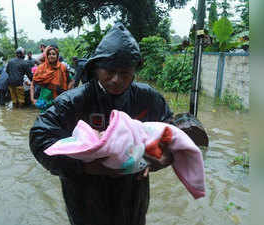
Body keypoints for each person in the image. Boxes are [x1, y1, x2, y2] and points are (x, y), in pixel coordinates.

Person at [29, 23, 174, 225]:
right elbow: (39, 138)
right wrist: (85, 166)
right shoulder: (72, 101)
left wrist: (154, 158)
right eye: (109, 71)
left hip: (132, 193)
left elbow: (171, 131)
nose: (116, 80)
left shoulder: (147, 98)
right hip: (84, 194)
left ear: (135, 71)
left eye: (125, 73)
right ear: (96, 68)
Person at [31, 46, 73, 111]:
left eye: (53, 54)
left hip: (59, 100)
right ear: (46, 56)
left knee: (58, 119)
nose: (51, 56)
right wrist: (32, 99)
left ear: (57, 56)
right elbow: (33, 85)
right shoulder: (41, 68)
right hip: (44, 101)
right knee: (45, 119)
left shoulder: (63, 67)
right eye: (49, 54)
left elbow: (71, 81)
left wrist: (66, 93)